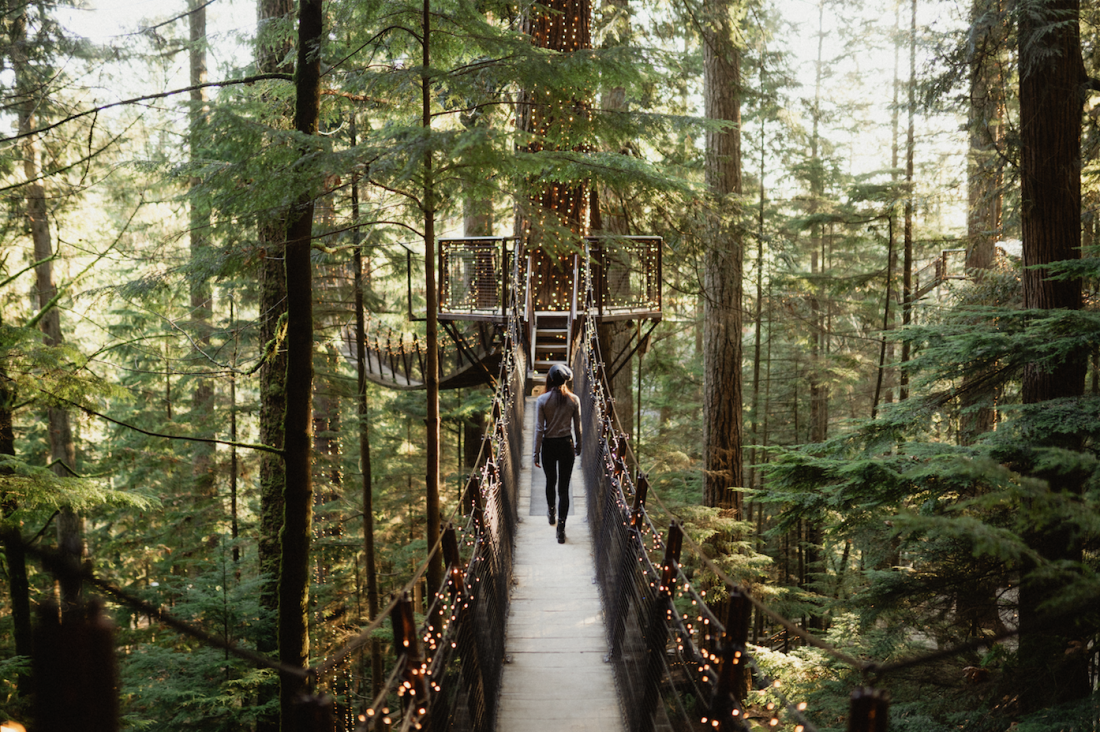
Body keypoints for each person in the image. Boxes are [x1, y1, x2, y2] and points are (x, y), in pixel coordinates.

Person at [533, 363, 582, 544]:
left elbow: (539, 429)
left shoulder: (542, 400)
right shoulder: (574, 400)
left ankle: (551, 512)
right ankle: (561, 530)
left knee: (550, 481)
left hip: (548, 446)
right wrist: (579, 446)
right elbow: (578, 427)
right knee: (564, 488)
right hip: (566, 446)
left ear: (551, 379)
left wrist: (535, 452)